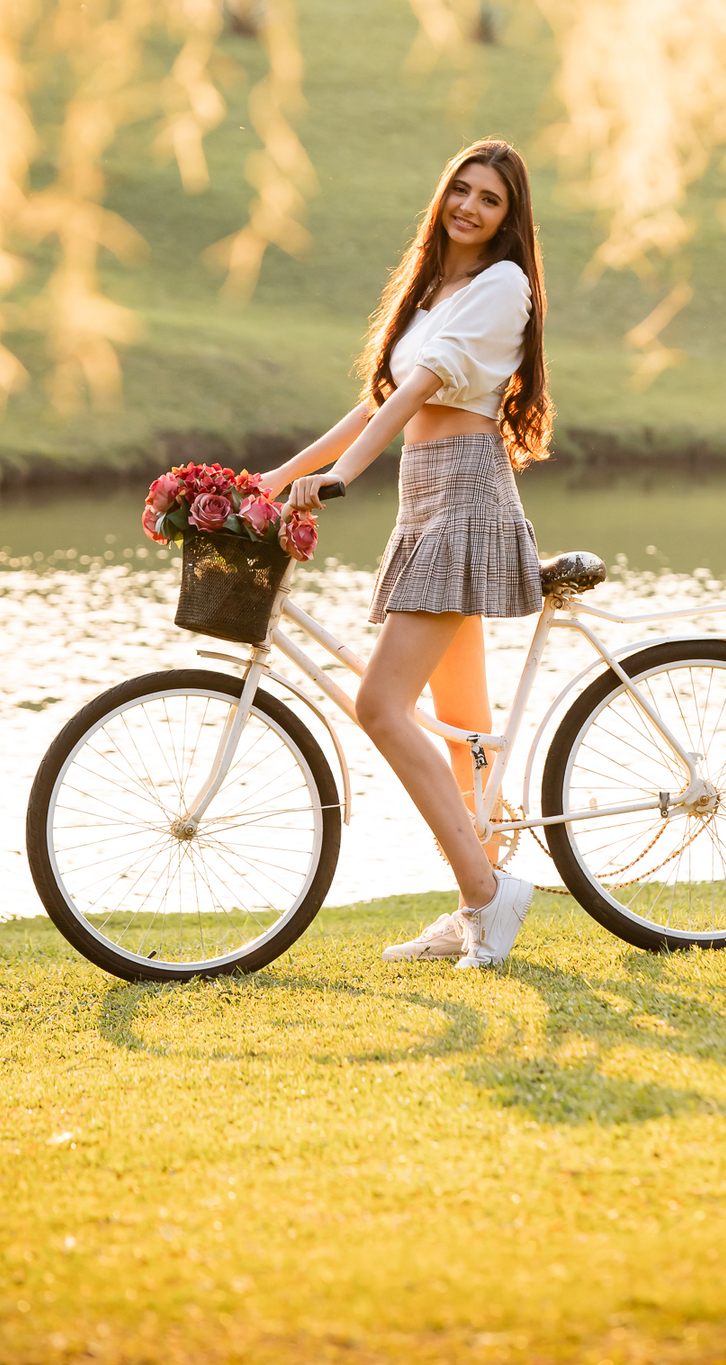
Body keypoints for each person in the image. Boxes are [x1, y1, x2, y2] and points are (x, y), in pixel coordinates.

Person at [259, 137, 553, 969]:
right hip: (425, 496)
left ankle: (491, 895)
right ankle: (476, 901)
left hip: (464, 496)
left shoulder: (504, 287)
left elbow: (423, 392)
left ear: (509, 218)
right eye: (459, 190)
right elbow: (381, 399)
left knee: (380, 705)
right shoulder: (436, 290)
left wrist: (344, 477)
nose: (468, 207)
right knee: (463, 734)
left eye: (488, 199)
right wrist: (285, 473)